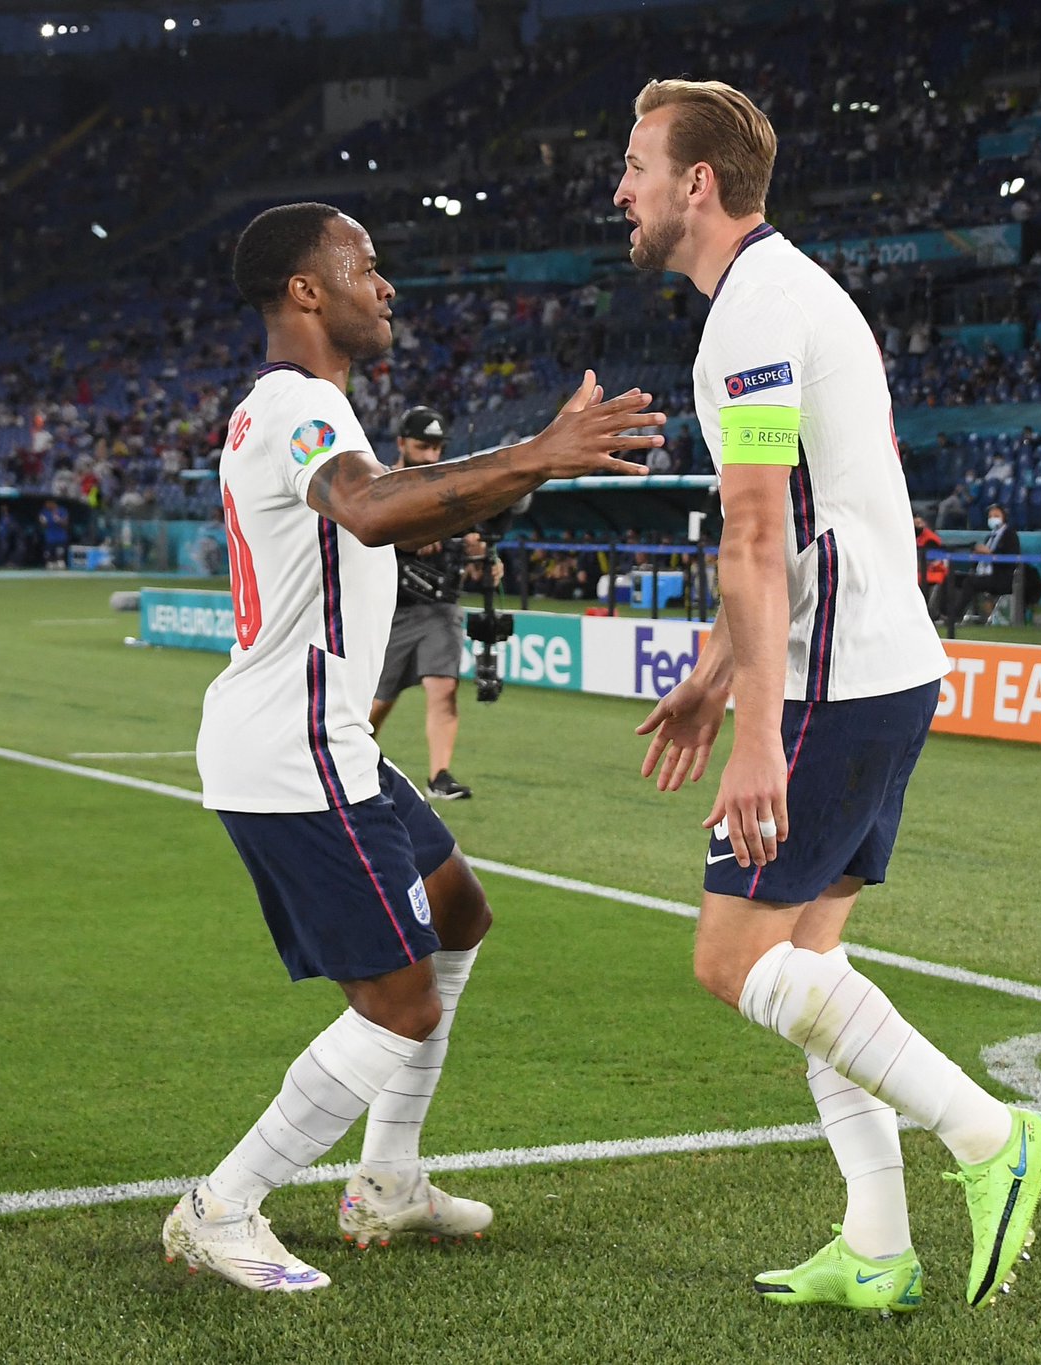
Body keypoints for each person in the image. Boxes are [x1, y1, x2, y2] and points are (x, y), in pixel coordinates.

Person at [615, 80, 1041, 1316]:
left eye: (637, 167)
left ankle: (989, 1136)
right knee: (811, 959)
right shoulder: (793, 291)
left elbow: (758, 539)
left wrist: (754, 728)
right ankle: (875, 1241)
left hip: (829, 685)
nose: (622, 190)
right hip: (878, 666)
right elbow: (812, 521)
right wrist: (715, 672)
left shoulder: (752, 315)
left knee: (731, 958)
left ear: (695, 185)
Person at [163, 201, 666, 1293]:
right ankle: (222, 1205)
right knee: (400, 1006)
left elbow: (397, 509)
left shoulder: (308, 412)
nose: (383, 285)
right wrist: (541, 450)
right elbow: (374, 510)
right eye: (364, 265)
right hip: (294, 748)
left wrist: (535, 463)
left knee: (459, 910)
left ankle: (387, 1179)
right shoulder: (298, 406)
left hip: (322, 738)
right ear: (305, 290)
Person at [370, 405, 475, 802]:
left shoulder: (448, 488)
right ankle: (350, 761)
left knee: (443, 687)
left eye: (436, 447)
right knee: (378, 702)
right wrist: (410, 537)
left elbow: (473, 536)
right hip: (390, 611)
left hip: (440, 608)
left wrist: (485, 557)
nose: (430, 456)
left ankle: (439, 775)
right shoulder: (378, 483)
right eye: (422, 446)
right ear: (400, 443)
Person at [945, 502, 1022, 626]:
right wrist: (977, 556)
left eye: (996, 515)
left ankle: (954, 617)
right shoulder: (989, 537)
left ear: (1004, 517)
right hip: (983, 573)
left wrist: (990, 553)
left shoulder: (1010, 535)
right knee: (951, 577)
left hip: (1000, 577)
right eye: (990, 516)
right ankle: (943, 612)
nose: (993, 518)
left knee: (970, 582)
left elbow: (1010, 559)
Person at [40, 499, 70, 570]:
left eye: (48, 503)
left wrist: (59, 520)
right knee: (49, 556)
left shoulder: (62, 511)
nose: (47, 505)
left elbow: (66, 524)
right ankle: (50, 564)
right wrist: (43, 522)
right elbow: (43, 525)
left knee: (60, 555)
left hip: (60, 537)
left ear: (53, 503)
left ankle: (60, 564)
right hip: (50, 537)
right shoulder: (45, 512)